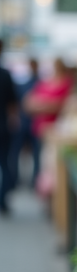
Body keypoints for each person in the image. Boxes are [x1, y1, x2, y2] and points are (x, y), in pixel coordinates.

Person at [10, 58, 40, 189]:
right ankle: (14, 179)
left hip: (34, 124)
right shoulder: (25, 83)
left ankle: (35, 180)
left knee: (36, 154)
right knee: (16, 153)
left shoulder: (40, 84)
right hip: (23, 123)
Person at [0, 40, 17, 216]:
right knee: (5, 164)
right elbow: (13, 104)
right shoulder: (5, 74)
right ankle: (2, 201)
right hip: (3, 126)